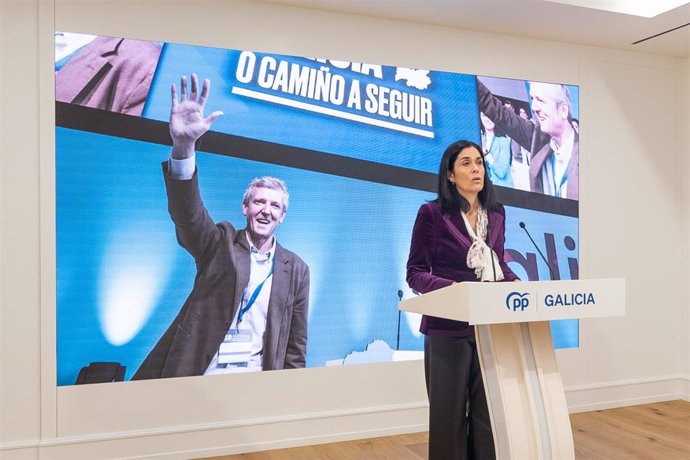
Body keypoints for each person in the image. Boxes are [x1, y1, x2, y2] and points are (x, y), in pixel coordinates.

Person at [133, 74, 309, 379]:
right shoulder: (220, 243)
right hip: (202, 375)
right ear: (245, 207)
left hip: (257, 380)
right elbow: (189, 216)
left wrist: (291, 393)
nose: (266, 210)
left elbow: (296, 343)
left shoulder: (296, 269)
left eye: (274, 205)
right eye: (258, 202)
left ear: (282, 216)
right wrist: (184, 148)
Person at [406, 140, 519, 460]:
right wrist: (454, 288)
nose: (476, 169)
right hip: (448, 328)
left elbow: (498, 262)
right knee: (449, 418)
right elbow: (415, 273)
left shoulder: (496, 213)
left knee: (488, 418)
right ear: (451, 175)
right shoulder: (432, 213)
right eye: (466, 163)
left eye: (480, 163)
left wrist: (515, 284)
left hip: (489, 328)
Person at [477, 78, 579, 200]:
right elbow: (498, 111)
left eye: (540, 100)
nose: (534, 108)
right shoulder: (537, 138)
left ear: (563, 109)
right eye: (532, 99)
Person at [479, 111, 514, 188]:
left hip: (503, 191)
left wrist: (487, 155)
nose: (487, 119)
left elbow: (501, 172)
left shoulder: (503, 141)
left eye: (490, 115)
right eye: (484, 116)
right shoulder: (481, 139)